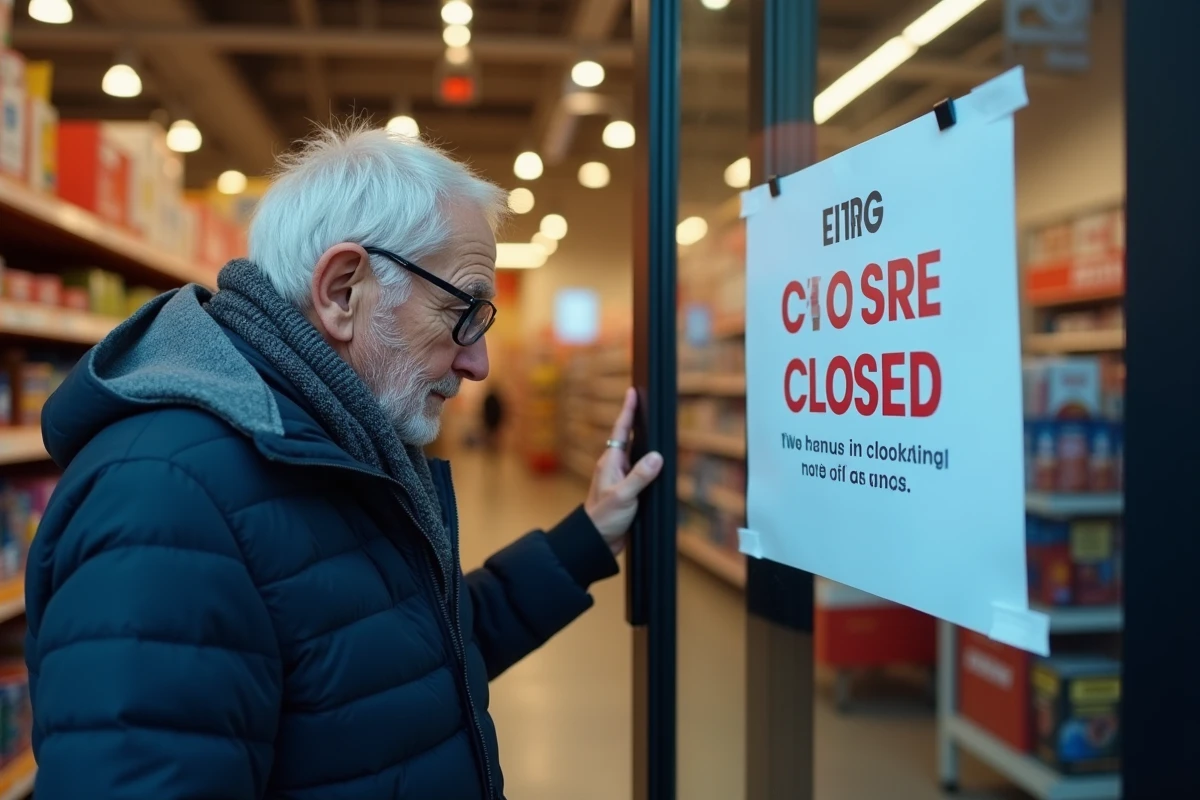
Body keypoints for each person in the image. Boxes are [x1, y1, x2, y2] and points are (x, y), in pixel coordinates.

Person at [24, 122, 664, 799]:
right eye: (463, 310)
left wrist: (588, 536)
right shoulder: (165, 502)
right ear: (342, 291)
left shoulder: (335, 446)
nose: (478, 362)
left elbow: (403, 663)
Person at [481, 386, 505, 451]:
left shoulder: (489, 398)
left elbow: (484, 410)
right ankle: (492, 447)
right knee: (493, 434)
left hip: (489, 419)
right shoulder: (497, 399)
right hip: (494, 419)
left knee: (489, 434)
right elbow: (500, 410)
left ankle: (490, 447)